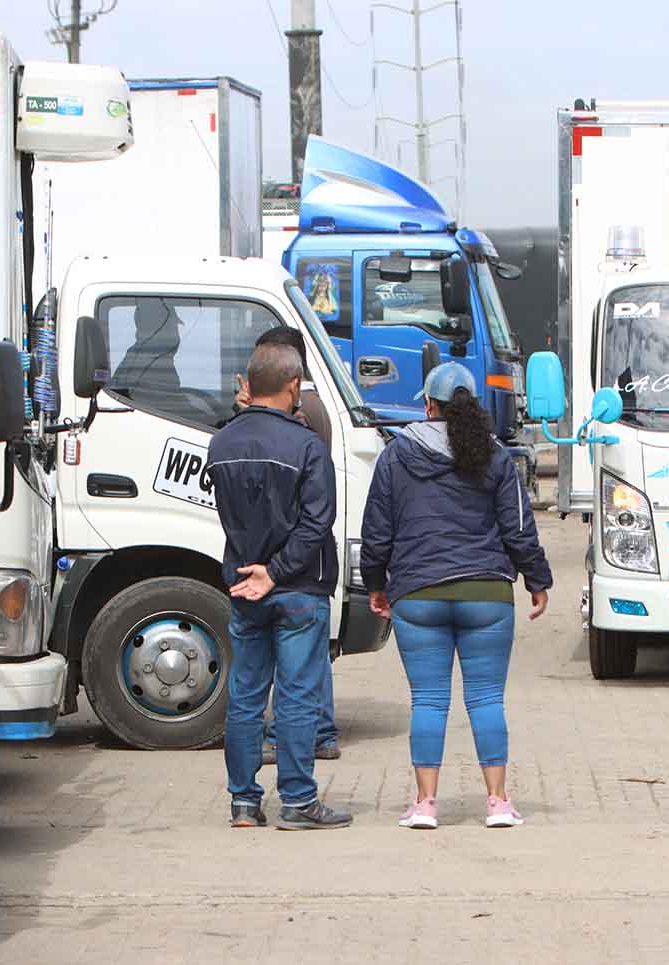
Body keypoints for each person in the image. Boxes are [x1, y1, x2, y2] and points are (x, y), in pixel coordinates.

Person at [360, 362, 551, 830]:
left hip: (418, 593)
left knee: (428, 700)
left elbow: (377, 530)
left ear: (428, 405)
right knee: (486, 699)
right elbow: (518, 528)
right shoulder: (495, 456)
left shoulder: (396, 455)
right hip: (487, 594)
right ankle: (498, 803)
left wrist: (376, 584)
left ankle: (425, 805)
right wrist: (537, 579)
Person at [207, 341, 352, 831]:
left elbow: (229, 514)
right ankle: (298, 800)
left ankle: (244, 803)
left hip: (243, 585)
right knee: (296, 698)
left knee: (246, 696)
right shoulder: (307, 446)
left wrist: (258, 570)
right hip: (298, 589)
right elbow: (317, 523)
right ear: (293, 386)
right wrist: (276, 571)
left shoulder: (221, 443)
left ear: (249, 385)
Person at [235, 326, 340, 763]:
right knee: (307, 666)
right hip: (301, 569)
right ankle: (320, 736)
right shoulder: (308, 410)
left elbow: (307, 505)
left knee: (277, 683)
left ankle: (294, 746)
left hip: (289, 568)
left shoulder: (302, 415)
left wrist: (248, 417)